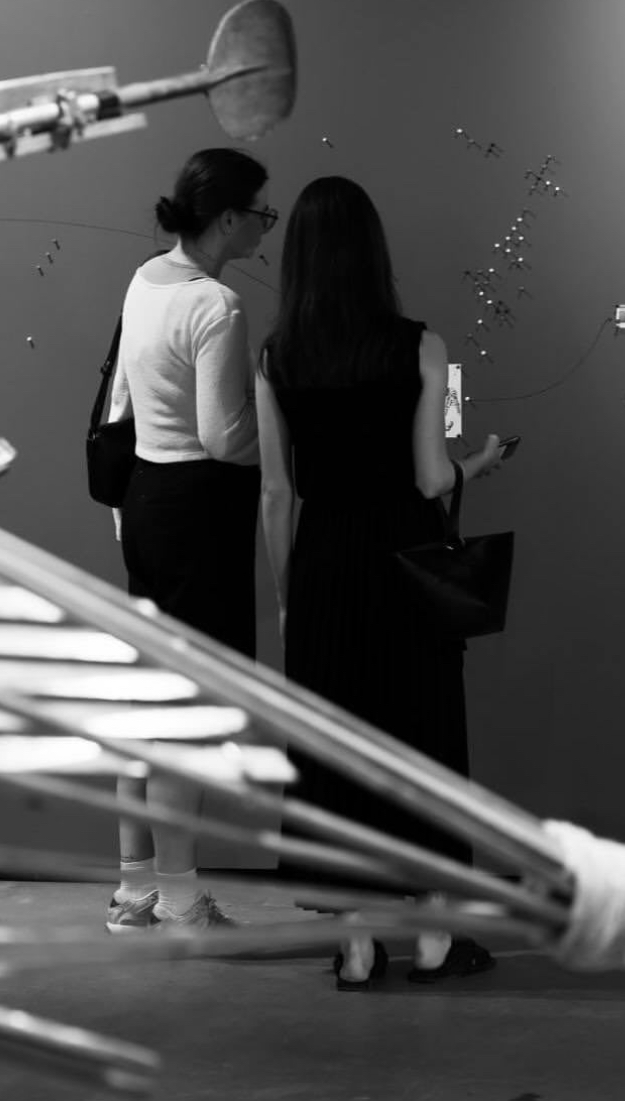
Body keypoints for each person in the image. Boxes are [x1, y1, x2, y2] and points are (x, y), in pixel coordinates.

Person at [254, 175, 507, 986]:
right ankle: (432, 941)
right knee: (418, 739)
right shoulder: (420, 346)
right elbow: (430, 477)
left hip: (323, 563)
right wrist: (479, 462)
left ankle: (357, 947)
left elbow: (275, 493)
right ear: (372, 252)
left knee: (335, 751)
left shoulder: (276, 357)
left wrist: (286, 595)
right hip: (404, 563)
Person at [104, 147, 273, 932]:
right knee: (188, 711)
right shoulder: (216, 305)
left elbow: (124, 399)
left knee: (144, 703)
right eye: (261, 213)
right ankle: (178, 896)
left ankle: (133, 889)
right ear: (228, 218)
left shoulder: (144, 280)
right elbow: (220, 435)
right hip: (197, 515)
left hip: (144, 500)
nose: (266, 226)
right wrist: (276, 439)